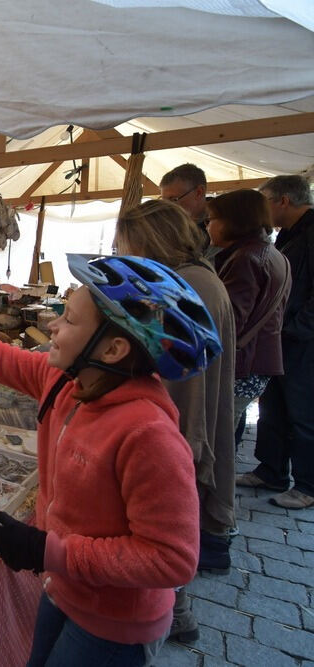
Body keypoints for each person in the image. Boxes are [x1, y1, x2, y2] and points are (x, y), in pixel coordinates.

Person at [0, 253, 220, 667]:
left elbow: (172, 559)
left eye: (70, 320)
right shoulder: (65, 382)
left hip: (115, 624)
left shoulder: (149, 435)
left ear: (114, 348)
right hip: (63, 590)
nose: (52, 324)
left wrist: (50, 550)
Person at [113, 199, 236, 643]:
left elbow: (174, 367)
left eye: (128, 244)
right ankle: (174, 608)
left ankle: (173, 612)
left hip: (178, 419)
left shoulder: (189, 286)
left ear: (151, 242)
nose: (125, 253)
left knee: (161, 520)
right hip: (181, 416)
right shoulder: (196, 277)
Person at [238, 175, 314, 509]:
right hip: (280, 336)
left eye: (264, 200)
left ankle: (308, 485)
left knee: (303, 412)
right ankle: (271, 470)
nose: (261, 209)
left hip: (303, 340)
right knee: (272, 406)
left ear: (283, 200)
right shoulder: (285, 235)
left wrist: (297, 328)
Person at [206, 190, 290, 447]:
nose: (208, 226)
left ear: (234, 221)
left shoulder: (246, 259)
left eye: (212, 219)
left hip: (242, 364)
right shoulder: (272, 253)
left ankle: (215, 488)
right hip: (257, 363)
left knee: (216, 440)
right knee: (225, 435)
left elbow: (228, 320)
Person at [160, 164, 213, 258]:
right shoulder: (172, 228)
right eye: (164, 201)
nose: (168, 207)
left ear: (199, 192)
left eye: (174, 199)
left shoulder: (225, 223)